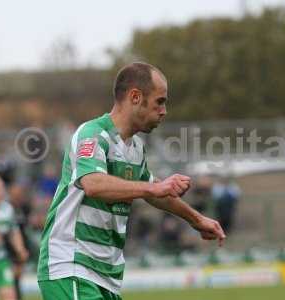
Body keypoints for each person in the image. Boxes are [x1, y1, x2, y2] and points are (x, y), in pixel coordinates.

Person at [37, 62, 225, 300]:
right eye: (160, 101)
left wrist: (197, 219)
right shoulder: (92, 134)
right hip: (72, 266)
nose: (164, 110)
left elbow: (155, 192)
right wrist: (154, 187)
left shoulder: (135, 148)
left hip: (106, 274)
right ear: (135, 97)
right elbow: (93, 183)